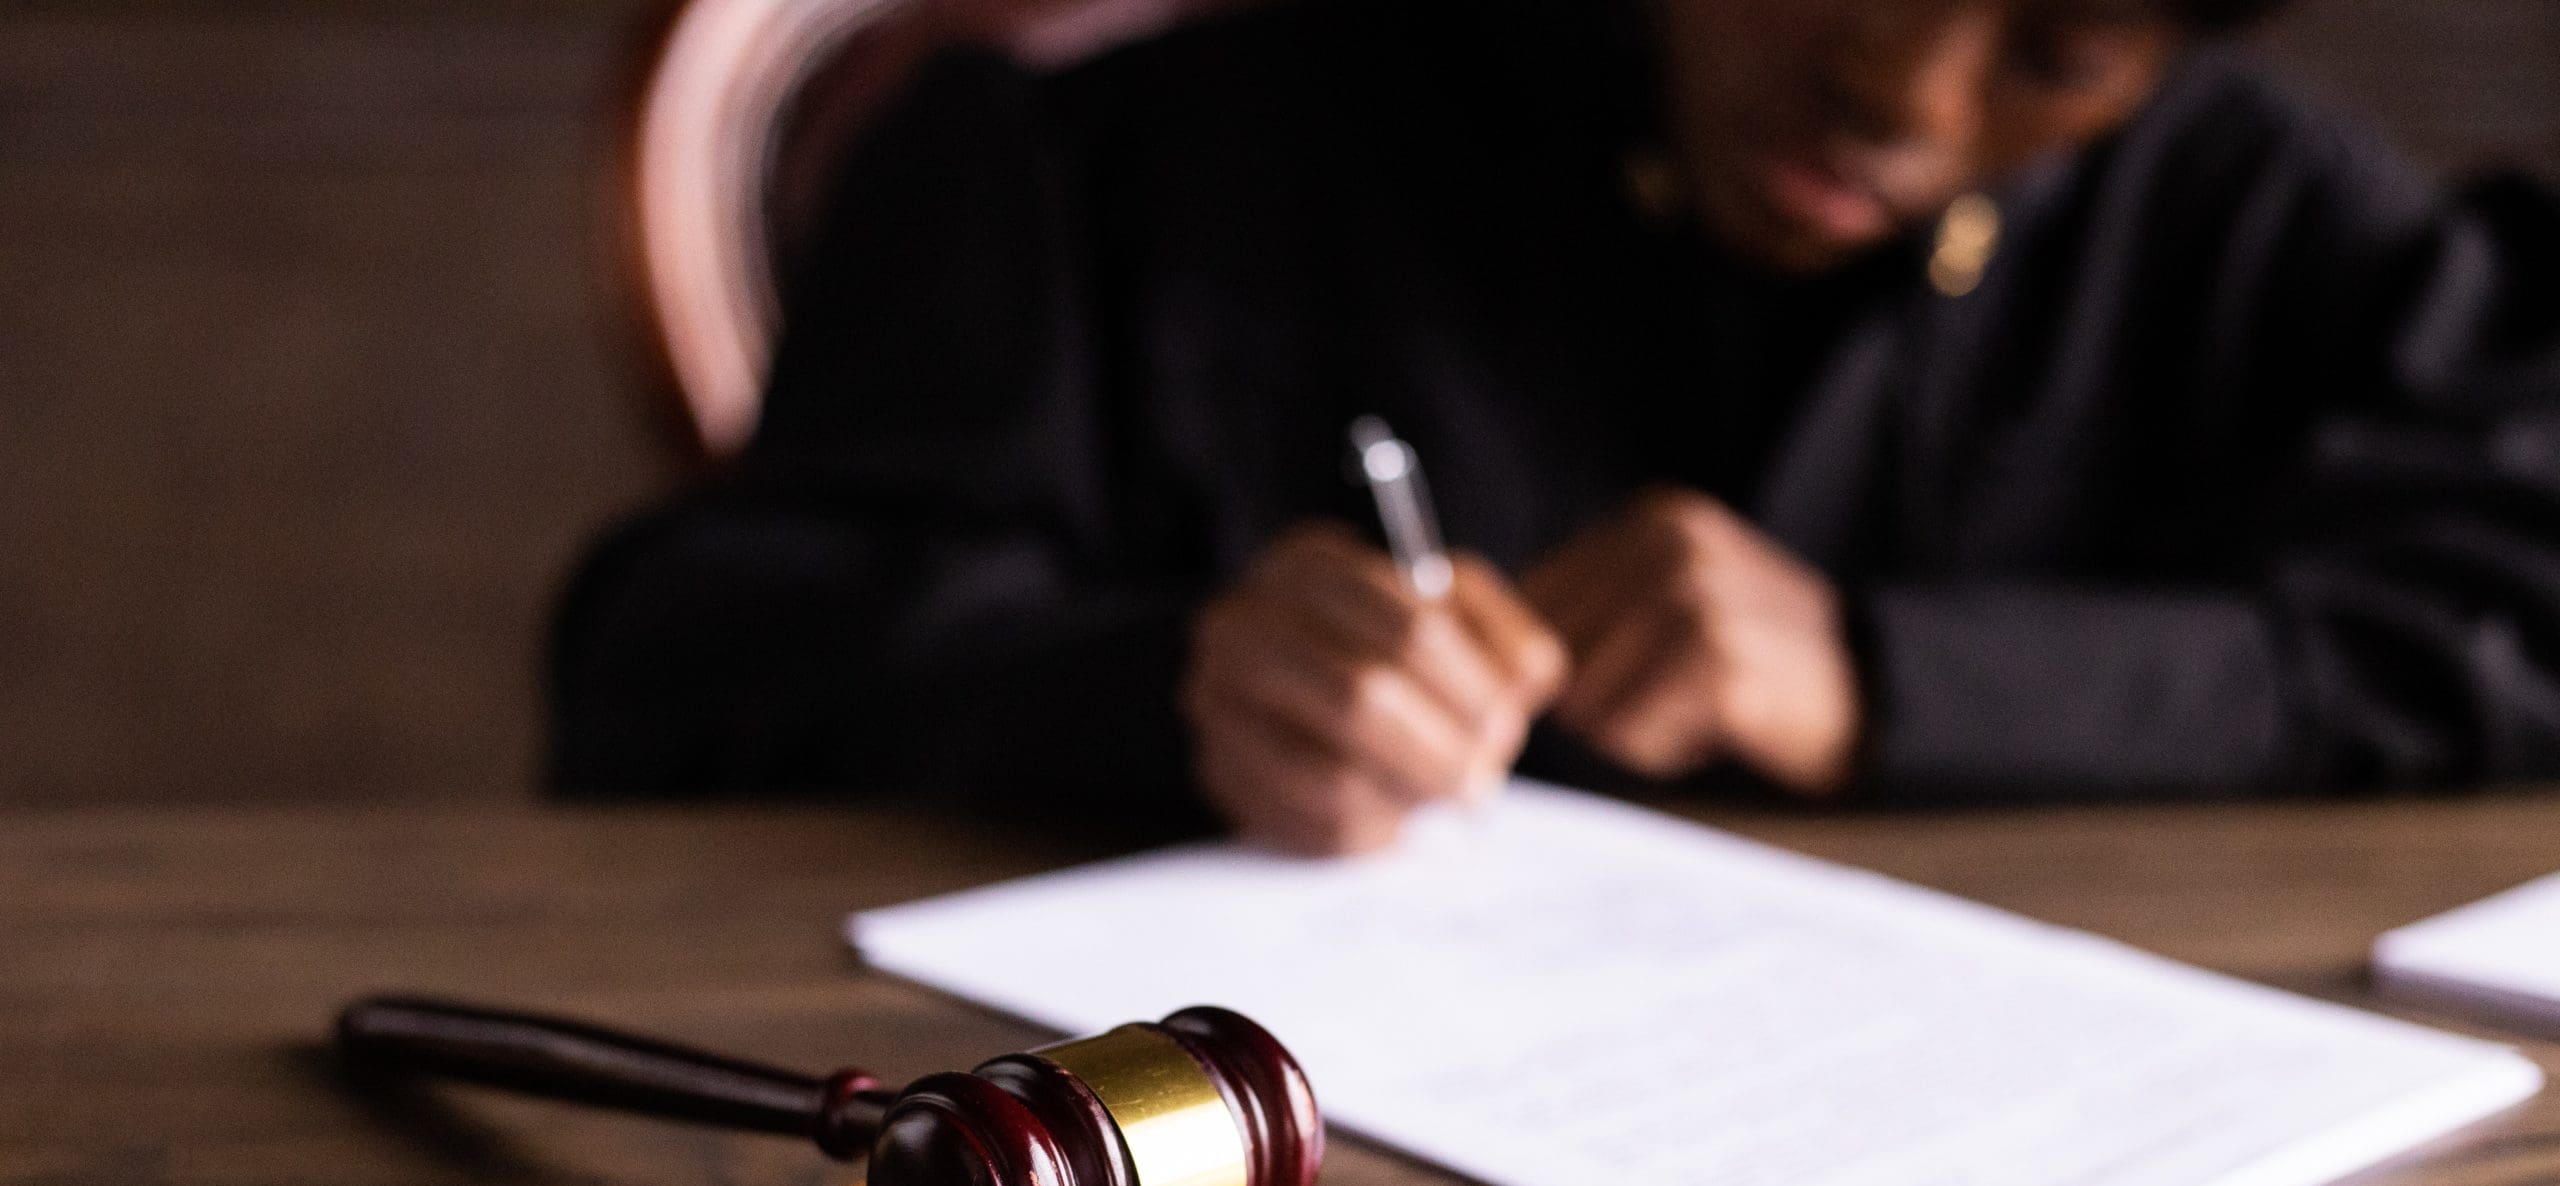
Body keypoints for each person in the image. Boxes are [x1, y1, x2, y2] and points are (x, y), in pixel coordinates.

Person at [552, 0, 2560, 853]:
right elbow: (676, 662)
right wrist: (1161, 687)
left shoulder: (2245, 212)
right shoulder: (1147, 152)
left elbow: (2508, 617)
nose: (1895, 85)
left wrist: (1890, 678)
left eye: (2052, 47)